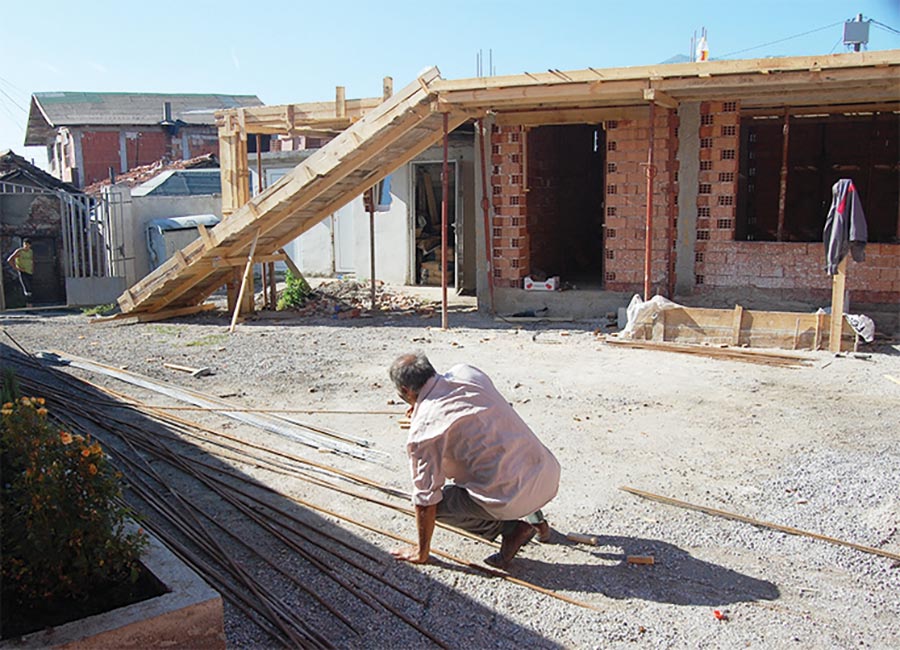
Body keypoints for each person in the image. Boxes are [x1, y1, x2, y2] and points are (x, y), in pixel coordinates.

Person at [388, 352, 560, 569]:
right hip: (545, 472)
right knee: (504, 453)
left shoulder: (423, 432)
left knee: (439, 506)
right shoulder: (466, 372)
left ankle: (510, 529)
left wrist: (422, 553)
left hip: (511, 496)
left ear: (405, 391)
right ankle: (539, 524)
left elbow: (425, 500)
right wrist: (423, 407)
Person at [7, 239, 34, 306]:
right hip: (23, 272)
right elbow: (10, 260)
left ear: (30, 245)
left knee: (30, 289)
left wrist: (33, 268)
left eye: (27, 245)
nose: (25, 246)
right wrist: (17, 268)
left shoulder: (30, 251)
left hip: (29, 272)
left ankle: (30, 305)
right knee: (27, 289)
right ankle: (28, 307)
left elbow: (32, 260)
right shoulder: (19, 251)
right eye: (24, 244)